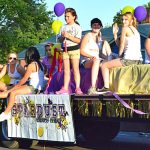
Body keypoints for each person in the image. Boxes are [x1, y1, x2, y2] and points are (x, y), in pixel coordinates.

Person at [98, 12, 143, 92]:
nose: (123, 22)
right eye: (122, 20)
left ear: (131, 20)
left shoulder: (125, 29)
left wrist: (119, 56)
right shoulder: (136, 31)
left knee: (104, 65)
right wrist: (115, 35)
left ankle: (106, 87)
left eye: (126, 20)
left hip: (129, 60)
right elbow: (121, 45)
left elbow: (121, 45)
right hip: (138, 60)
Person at [0, 47, 45, 122]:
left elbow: (24, 79)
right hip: (36, 87)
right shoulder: (41, 64)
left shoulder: (31, 65)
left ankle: (6, 113)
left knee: (13, 93)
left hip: (34, 88)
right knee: (8, 93)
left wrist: (16, 87)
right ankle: (5, 110)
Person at [80, 18, 112, 95]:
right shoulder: (88, 35)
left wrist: (107, 59)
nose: (96, 26)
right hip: (87, 60)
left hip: (97, 59)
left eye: (98, 25)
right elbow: (81, 51)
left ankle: (106, 86)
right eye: (94, 25)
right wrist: (91, 56)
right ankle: (93, 87)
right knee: (96, 60)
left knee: (107, 63)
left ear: (100, 27)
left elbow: (100, 55)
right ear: (91, 26)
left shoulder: (99, 39)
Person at [56, 8, 82, 94]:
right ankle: (65, 88)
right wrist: (63, 37)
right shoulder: (63, 27)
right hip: (65, 50)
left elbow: (78, 40)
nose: (66, 18)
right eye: (65, 16)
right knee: (66, 70)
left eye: (68, 16)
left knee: (75, 69)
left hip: (74, 50)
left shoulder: (77, 27)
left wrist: (69, 36)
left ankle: (78, 88)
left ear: (73, 17)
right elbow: (59, 40)